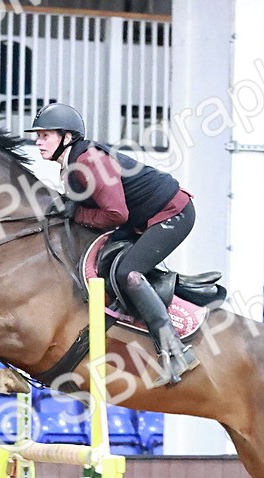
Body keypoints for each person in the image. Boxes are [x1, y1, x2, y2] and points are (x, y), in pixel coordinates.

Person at [25, 102, 198, 386]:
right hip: (144, 218)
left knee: (128, 274)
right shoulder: (71, 165)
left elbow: (116, 214)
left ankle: (176, 351)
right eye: (38, 136)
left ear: (67, 137)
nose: (38, 141)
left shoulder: (89, 162)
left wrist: (78, 214)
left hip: (173, 214)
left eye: (45, 135)